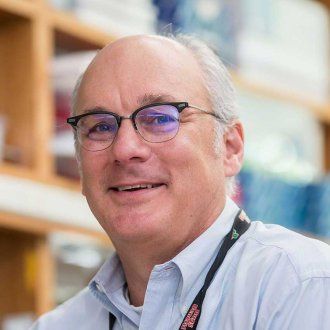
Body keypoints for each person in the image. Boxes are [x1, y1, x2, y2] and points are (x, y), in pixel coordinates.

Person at [31, 34, 330, 330]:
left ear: (230, 148)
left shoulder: (302, 287)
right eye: (100, 127)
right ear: (80, 166)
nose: (124, 149)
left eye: (160, 118)